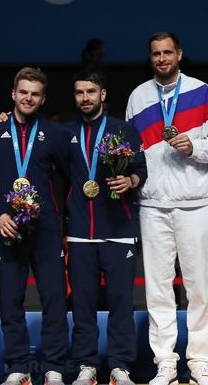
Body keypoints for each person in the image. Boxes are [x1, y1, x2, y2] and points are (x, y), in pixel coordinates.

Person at [125, 31, 208, 385]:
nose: (162, 58)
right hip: (152, 204)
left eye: (168, 52)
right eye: (156, 53)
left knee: (199, 286)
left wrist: (194, 147)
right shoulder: (138, 97)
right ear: (150, 57)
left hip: (194, 203)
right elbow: (132, 154)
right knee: (158, 287)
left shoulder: (202, 92)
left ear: (179, 54)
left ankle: (200, 363)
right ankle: (165, 363)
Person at [0, 67, 70, 385]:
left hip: (46, 232)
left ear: (43, 99)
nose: (28, 98)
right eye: (23, 92)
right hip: (7, 229)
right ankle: (18, 367)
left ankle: (54, 367)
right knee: (10, 300)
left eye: (35, 94)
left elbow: (72, 176)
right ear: (13, 94)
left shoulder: (54, 133)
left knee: (54, 298)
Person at [63, 69, 147, 385]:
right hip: (80, 231)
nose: (85, 97)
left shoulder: (124, 130)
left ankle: (120, 367)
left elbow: (141, 170)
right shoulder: (64, 133)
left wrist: (131, 180)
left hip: (119, 229)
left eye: (90, 91)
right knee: (82, 303)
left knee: (121, 303)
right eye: (79, 92)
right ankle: (87, 365)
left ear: (103, 94)